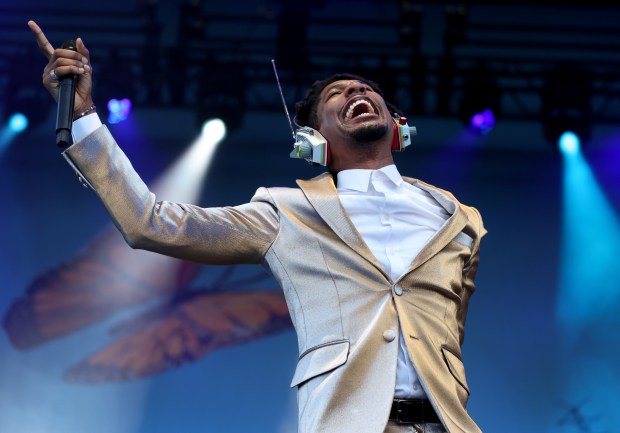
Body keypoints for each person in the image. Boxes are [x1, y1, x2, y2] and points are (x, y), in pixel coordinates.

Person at [29, 19, 486, 433]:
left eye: (366, 90)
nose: (357, 93)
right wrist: (85, 116)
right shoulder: (286, 212)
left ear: (397, 125)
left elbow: (448, 332)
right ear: (313, 142)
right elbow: (149, 223)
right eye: (338, 95)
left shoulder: (457, 218)